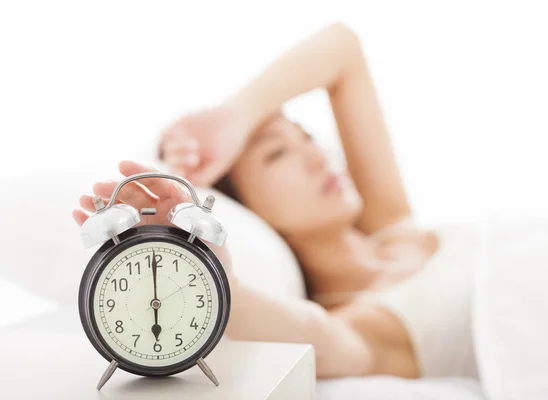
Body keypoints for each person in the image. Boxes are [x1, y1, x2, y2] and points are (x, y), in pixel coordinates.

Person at [72, 23, 479, 379]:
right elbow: (312, 334)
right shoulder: (367, 323)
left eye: (306, 136)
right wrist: (210, 269)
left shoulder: (392, 221)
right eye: (276, 154)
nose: (319, 156)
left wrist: (236, 117)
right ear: (246, 207)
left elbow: (343, 46)